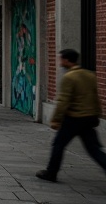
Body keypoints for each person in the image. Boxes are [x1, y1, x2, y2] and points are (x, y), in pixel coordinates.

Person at [36, 49, 106, 183]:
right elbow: (95, 97)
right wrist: (97, 114)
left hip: (74, 118)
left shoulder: (69, 77)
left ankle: (51, 173)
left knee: (58, 145)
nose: (60, 61)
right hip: (89, 117)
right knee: (94, 149)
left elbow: (63, 100)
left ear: (67, 60)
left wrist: (56, 119)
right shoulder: (90, 75)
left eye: (61, 59)